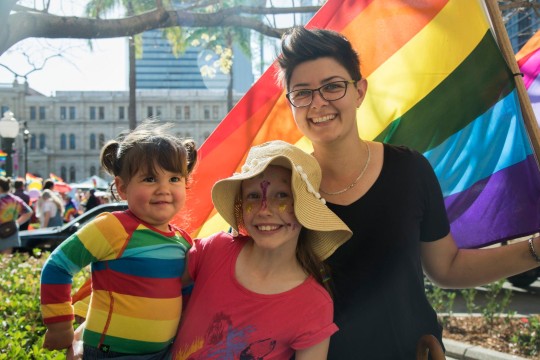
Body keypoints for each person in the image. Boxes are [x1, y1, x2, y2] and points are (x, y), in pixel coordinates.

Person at [276, 26, 540, 359]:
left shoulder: (409, 170)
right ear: (291, 104)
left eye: (332, 87)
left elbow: (447, 267)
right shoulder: (282, 190)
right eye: (302, 92)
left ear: (359, 91)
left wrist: (535, 250)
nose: (318, 103)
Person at [170, 140, 352, 360]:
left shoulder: (314, 305)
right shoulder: (214, 249)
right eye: (254, 196)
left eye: (282, 195)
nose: (264, 210)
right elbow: (149, 287)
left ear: (305, 208)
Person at [40, 121, 197, 358]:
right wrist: (60, 325)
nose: (164, 189)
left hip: (163, 353)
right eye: (150, 179)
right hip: (109, 353)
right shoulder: (112, 227)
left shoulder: (183, 241)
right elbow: (58, 266)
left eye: (174, 179)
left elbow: (187, 294)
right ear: (122, 188)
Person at [0, 176, 33, 254]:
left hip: (6, 232)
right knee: (6, 259)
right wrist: (17, 223)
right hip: (10, 232)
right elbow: (28, 212)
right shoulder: (15, 200)